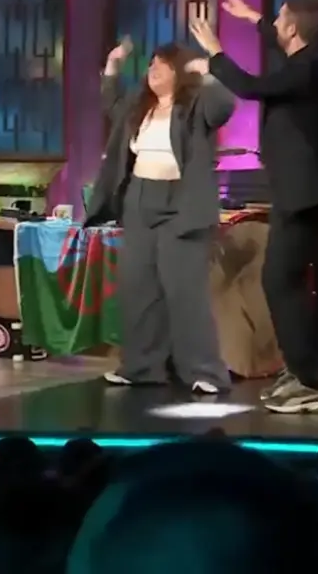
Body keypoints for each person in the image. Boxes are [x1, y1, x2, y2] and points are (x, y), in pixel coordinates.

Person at [186, 0, 318, 414]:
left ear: (294, 28)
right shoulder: (317, 55)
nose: (275, 25)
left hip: (304, 188)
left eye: (279, 19)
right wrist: (253, 17)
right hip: (298, 186)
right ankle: (300, 372)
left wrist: (216, 54)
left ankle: (308, 382)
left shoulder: (309, 67)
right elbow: (284, 44)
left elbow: (251, 87)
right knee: (281, 280)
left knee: (280, 280)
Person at [85, 41, 236, 392]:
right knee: (139, 288)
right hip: (139, 200)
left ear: (179, 71)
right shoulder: (140, 107)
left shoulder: (195, 105)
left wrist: (209, 73)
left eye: (162, 64)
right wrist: (113, 66)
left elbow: (224, 107)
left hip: (181, 203)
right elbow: (111, 104)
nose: (153, 70)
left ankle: (204, 372)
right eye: (151, 63)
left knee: (185, 291)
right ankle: (141, 367)